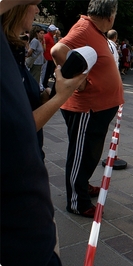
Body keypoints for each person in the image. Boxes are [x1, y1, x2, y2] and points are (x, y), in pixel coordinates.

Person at [0, 0, 87, 264]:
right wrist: (61, 97)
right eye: (32, 5)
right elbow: (22, 127)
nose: (37, 9)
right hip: (18, 220)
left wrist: (48, 93)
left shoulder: (13, 51)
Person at [51, 0, 124, 218]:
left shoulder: (95, 30)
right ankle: (77, 201)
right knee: (81, 154)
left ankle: (82, 185)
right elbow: (57, 50)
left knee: (90, 153)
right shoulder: (84, 27)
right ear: (110, 16)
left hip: (97, 108)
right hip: (85, 108)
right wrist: (78, 81)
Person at [42, 23, 58, 88]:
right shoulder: (47, 37)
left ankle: (45, 83)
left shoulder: (51, 37)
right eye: (54, 31)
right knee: (45, 72)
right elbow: (43, 45)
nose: (55, 32)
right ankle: (44, 83)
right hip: (47, 57)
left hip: (50, 57)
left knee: (48, 72)